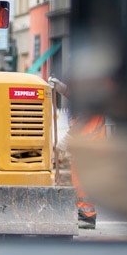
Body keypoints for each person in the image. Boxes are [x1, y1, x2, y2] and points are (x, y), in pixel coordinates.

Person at [49, 76, 105, 229]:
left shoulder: (93, 88)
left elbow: (85, 116)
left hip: (89, 144)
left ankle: (87, 216)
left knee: (83, 182)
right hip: (86, 144)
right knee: (79, 179)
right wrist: (63, 89)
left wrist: (67, 139)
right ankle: (84, 213)